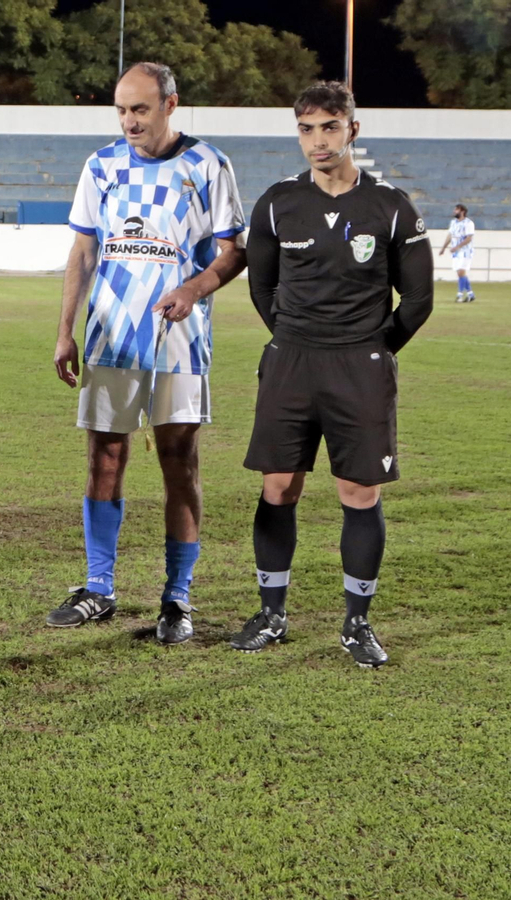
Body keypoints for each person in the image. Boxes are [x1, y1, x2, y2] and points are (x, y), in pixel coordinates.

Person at [232, 81, 433, 668]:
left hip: (361, 368)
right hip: (290, 363)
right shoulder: (276, 203)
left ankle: (357, 623)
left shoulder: (391, 207)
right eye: (306, 129)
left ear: (352, 130)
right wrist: (295, 339)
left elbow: (417, 300)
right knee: (278, 487)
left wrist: (369, 348)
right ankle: (271, 614)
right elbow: (261, 286)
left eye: (328, 127)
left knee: (358, 492)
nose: (317, 141)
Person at [49, 62, 246, 643]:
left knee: (178, 462)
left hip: (180, 341)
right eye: (121, 109)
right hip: (111, 336)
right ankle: (99, 588)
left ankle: (177, 599)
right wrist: (65, 329)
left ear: (169, 104)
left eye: (140, 108)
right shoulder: (102, 165)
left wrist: (192, 290)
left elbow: (233, 252)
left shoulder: (208, 164)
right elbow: (83, 252)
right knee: (103, 459)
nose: (129, 120)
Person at [440, 204, 475, 302]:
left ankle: (459, 295)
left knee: (461, 271)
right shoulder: (453, 222)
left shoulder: (468, 223)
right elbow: (450, 235)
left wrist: (457, 247)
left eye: (456, 209)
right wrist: (443, 248)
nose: (454, 211)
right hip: (456, 252)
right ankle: (470, 294)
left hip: (465, 251)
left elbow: (469, 238)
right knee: (460, 274)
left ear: (462, 211)